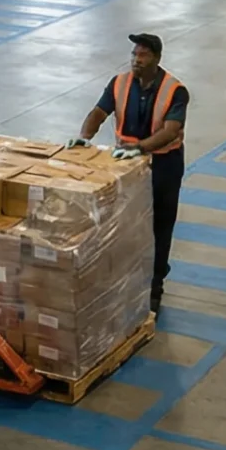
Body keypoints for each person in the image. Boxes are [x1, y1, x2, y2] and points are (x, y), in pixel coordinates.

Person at [75, 32, 187, 313]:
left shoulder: (175, 91)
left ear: (157, 59)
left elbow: (170, 131)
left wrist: (140, 148)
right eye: (134, 55)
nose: (137, 60)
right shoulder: (120, 83)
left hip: (163, 165)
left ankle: (155, 284)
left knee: (159, 225)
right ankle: (126, 281)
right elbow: (98, 112)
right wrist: (84, 137)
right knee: (124, 223)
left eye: (143, 55)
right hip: (126, 164)